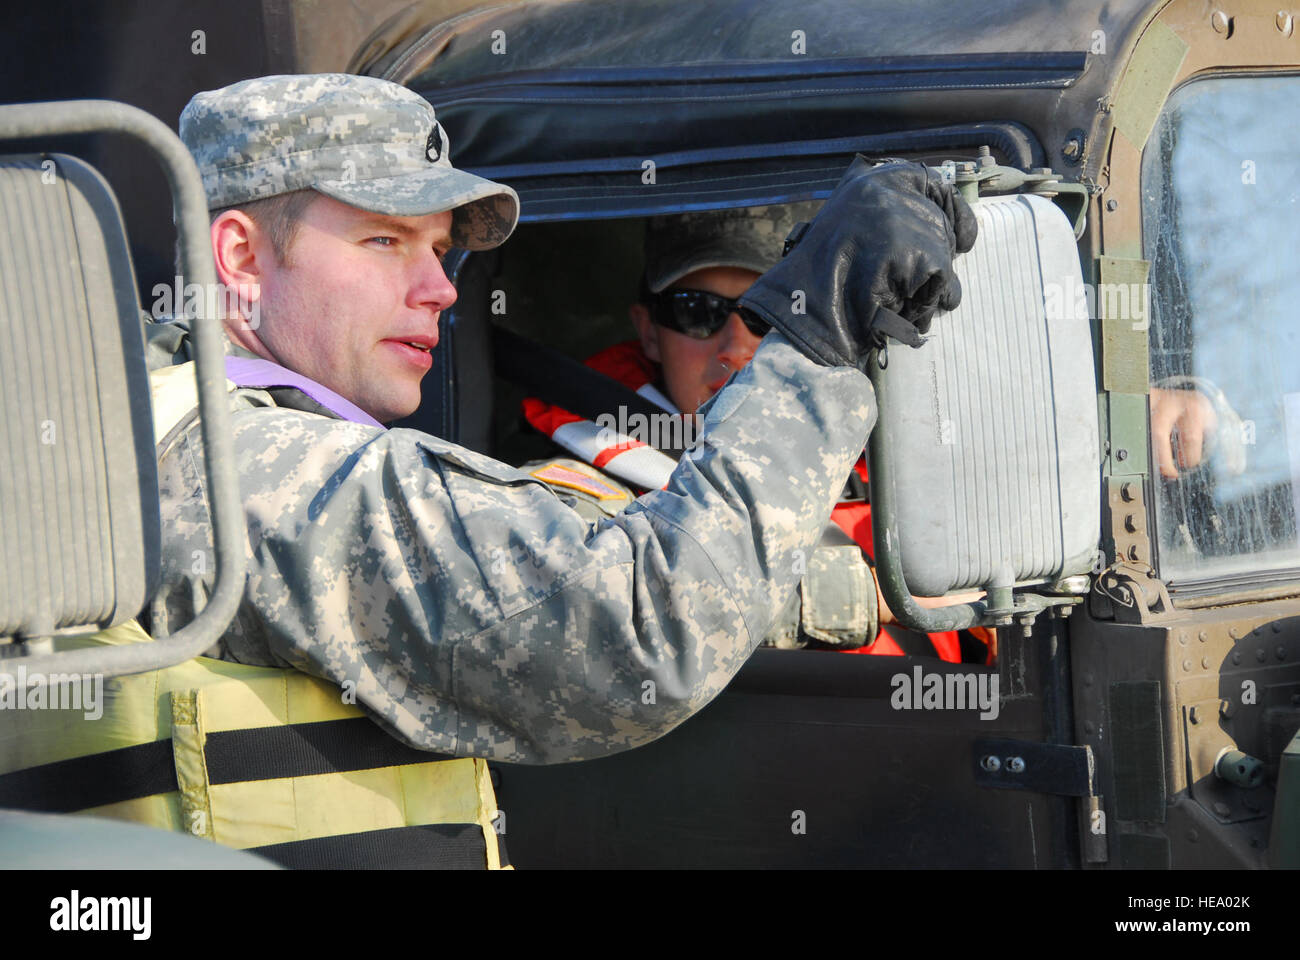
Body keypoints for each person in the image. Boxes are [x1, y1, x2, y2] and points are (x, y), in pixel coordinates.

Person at [4, 73, 976, 868]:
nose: (437, 289)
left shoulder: (160, 432)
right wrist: (819, 332)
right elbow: (638, 624)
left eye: (438, 251)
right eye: (385, 239)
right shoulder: (257, 473)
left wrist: (876, 585)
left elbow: (578, 559)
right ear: (240, 257)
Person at [523, 206, 991, 661]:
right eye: (696, 310)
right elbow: (595, 611)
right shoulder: (571, 499)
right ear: (648, 332)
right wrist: (865, 595)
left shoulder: (912, 466)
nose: (735, 346)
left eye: (768, 312)